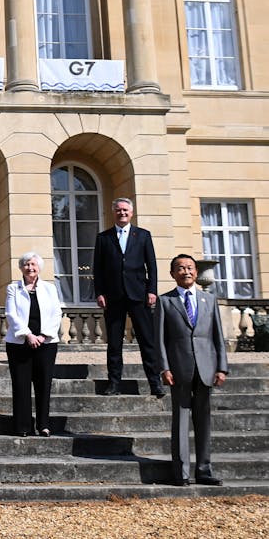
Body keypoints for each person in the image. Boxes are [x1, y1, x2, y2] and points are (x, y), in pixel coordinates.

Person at [156, 254, 228, 487]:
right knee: (181, 421)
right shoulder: (165, 301)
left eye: (189, 268)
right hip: (179, 368)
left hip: (206, 367)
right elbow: (159, 340)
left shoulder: (209, 299)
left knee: (204, 421)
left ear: (196, 273)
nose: (185, 272)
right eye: (180, 268)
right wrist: (164, 367)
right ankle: (182, 472)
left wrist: (222, 368)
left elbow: (218, 336)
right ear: (172, 274)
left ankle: (204, 470)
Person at [92, 197, 165, 397]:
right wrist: (99, 293)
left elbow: (152, 266)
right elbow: (97, 269)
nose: (122, 213)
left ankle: (154, 382)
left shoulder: (143, 235)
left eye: (125, 210)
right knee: (115, 343)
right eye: (118, 210)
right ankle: (114, 383)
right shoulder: (103, 238)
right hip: (113, 296)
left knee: (147, 341)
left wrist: (152, 290)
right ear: (113, 212)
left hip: (139, 295)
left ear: (131, 213)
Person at [4, 252, 63, 437]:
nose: (30, 268)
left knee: (43, 384)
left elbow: (56, 313)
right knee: (21, 385)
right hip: (19, 343)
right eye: (26, 264)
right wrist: (28, 335)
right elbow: (11, 314)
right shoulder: (13, 288)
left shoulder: (49, 288)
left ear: (39, 267)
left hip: (46, 343)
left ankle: (43, 424)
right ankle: (22, 426)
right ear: (21, 268)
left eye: (33, 264)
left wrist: (44, 335)